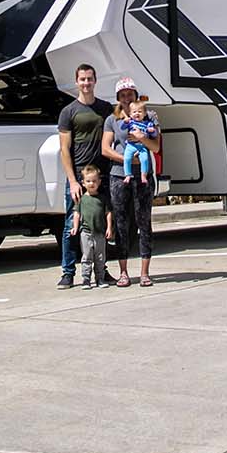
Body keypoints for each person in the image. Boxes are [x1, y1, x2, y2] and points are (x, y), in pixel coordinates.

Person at [56, 63, 113, 289]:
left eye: (90, 79)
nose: (86, 83)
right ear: (76, 81)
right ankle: (68, 272)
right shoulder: (68, 112)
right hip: (80, 179)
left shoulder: (105, 108)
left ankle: (101, 270)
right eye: (82, 79)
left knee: (99, 225)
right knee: (73, 224)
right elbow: (64, 149)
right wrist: (72, 180)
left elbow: (125, 120)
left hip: (102, 177)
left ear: (95, 80)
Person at [104, 76, 160, 287]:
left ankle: (145, 272)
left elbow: (155, 147)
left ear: (136, 95)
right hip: (119, 176)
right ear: (118, 98)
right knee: (121, 224)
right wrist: (126, 158)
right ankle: (124, 272)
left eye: (130, 94)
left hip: (144, 176)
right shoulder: (113, 119)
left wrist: (142, 138)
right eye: (123, 95)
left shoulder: (150, 115)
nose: (127, 98)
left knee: (144, 222)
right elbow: (105, 148)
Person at [70, 165, 114, 289]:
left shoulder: (102, 198)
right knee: (87, 257)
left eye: (94, 181)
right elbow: (77, 214)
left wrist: (109, 228)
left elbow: (108, 213)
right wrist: (75, 227)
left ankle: (100, 278)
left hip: (100, 233)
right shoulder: (82, 199)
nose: (91, 184)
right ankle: (86, 279)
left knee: (100, 257)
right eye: (88, 181)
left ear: (99, 182)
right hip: (86, 232)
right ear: (83, 183)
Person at [120, 97, 158, 186]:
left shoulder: (147, 124)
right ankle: (128, 175)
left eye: (140, 112)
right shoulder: (130, 122)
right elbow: (122, 128)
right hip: (131, 145)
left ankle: (143, 175)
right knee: (127, 158)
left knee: (145, 159)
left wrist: (152, 131)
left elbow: (154, 135)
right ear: (130, 114)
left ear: (145, 114)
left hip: (142, 146)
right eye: (134, 112)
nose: (137, 114)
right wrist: (125, 122)